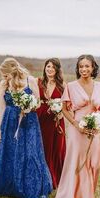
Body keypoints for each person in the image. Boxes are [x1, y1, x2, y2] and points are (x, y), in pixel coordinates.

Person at [0, 57, 52, 198]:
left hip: (29, 121)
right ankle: (12, 187)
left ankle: (34, 189)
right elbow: (2, 107)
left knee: (31, 153)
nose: (4, 78)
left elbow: (38, 102)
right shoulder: (4, 85)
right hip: (10, 121)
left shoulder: (30, 81)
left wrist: (28, 106)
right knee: (11, 153)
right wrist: (0, 129)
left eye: (6, 75)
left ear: (13, 71)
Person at [53, 55, 100, 198]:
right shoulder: (71, 86)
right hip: (77, 128)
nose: (84, 69)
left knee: (93, 162)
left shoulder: (99, 86)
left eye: (87, 66)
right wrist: (75, 124)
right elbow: (65, 109)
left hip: (96, 130)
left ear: (93, 68)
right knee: (77, 161)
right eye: (81, 66)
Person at [36, 58, 66, 189]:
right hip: (41, 118)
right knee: (42, 146)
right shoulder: (38, 82)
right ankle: (41, 176)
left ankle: (54, 177)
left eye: (53, 67)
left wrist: (61, 112)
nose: (50, 69)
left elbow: (67, 105)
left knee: (55, 148)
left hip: (56, 120)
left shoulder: (63, 85)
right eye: (48, 66)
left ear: (57, 70)